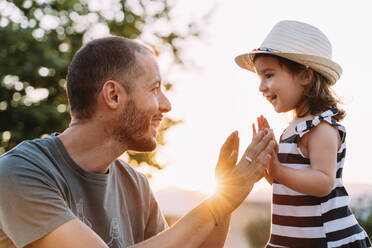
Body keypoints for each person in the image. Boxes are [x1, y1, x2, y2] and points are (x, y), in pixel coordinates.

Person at [0, 36, 276, 248]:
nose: (166, 105)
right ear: (113, 95)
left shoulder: (136, 186)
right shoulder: (18, 174)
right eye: (155, 89)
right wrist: (221, 201)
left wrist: (226, 198)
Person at [235, 20, 372, 247]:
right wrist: (269, 168)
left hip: (326, 240)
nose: (261, 87)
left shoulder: (321, 128)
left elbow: (323, 183)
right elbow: (290, 186)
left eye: (268, 75)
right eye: (259, 77)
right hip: (293, 239)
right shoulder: (293, 129)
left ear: (305, 76)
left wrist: (278, 169)